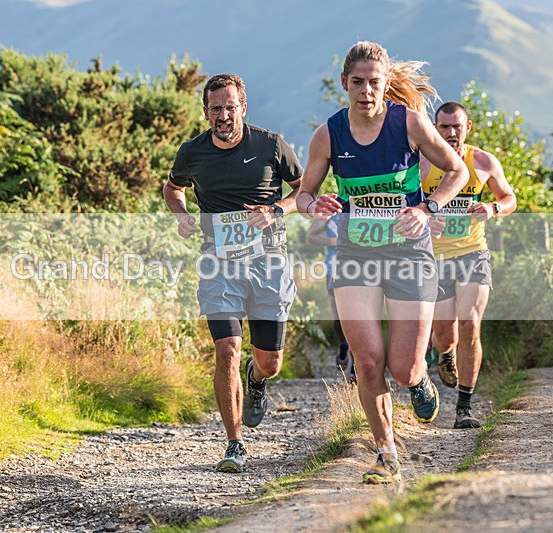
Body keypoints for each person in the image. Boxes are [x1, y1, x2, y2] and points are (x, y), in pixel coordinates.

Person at [296, 41, 469, 484]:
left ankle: (419, 380)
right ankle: (386, 453)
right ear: (345, 84)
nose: (366, 91)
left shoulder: (409, 123)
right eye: (358, 83)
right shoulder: (327, 135)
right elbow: (303, 195)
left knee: (402, 367)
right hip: (356, 255)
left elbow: (457, 171)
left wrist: (426, 209)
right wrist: (315, 205)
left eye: (375, 82)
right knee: (367, 361)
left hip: (409, 254)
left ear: (386, 83)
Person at [163, 74, 303, 473]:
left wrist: (276, 210)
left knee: (270, 361)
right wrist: (182, 215)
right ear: (205, 112)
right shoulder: (193, 152)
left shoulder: (270, 144)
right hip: (218, 263)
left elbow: (303, 189)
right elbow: (173, 188)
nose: (223, 116)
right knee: (226, 348)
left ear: (244, 106)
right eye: (215, 109)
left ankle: (256, 381)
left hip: (268, 262)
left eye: (229, 107)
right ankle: (234, 443)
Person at [422, 101, 517, 428]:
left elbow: (509, 198)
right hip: (435, 258)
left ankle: (464, 407)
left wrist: (493, 209)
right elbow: (405, 202)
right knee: (445, 334)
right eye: (443, 127)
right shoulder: (422, 162)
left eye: (456, 127)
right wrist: (425, 220)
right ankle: (445, 354)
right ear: (435, 128)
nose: (449, 133)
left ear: (468, 127)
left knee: (471, 324)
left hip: (473, 253)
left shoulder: (483, 161)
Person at [306, 213, 355, 382]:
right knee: (339, 316)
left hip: (361, 267)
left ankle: (356, 365)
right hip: (333, 268)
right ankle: (344, 345)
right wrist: (333, 241)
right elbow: (311, 236)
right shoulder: (333, 206)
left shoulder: (366, 202)